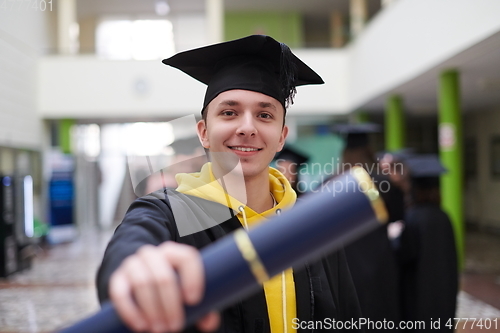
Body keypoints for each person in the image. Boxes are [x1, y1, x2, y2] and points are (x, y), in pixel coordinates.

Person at [96, 35, 362, 333]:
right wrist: (133, 267)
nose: (247, 127)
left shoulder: (313, 223)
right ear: (204, 132)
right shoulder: (171, 213)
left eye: (264, 115)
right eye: (229, 112)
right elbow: (134, 241)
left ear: (282, 136)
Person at [329, 123, 404, 331]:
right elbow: (398, 215)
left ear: (345, 152)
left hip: (343, 265)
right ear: (369, 150)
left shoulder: (330, 183)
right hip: (378, 262)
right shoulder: (384, 182)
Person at [396, 155, 458, 331]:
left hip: (419, 297)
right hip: (444, 295)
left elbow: (404, 256)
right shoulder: (444, 217)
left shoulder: (412, 218)